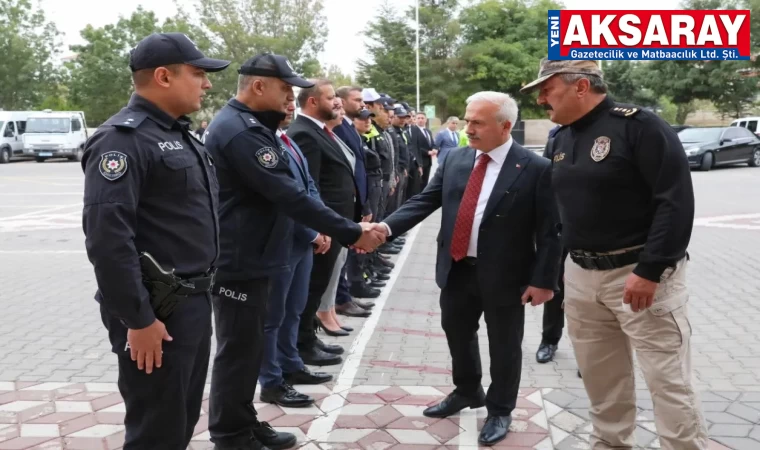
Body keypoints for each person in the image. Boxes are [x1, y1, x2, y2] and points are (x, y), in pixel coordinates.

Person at [520, 58, 708, 450]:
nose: (541, 99)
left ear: (581, 87)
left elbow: (674, 203)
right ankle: (609, 444)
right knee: (602, 379)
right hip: (581, 276)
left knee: (668, 381)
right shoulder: (561, 138)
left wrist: (652, 269)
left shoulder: (639, 127)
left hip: (639, 275)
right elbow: (559, 213)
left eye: (547, 89)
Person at [204, 53, 385, 450]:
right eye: (285, 89)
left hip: (258, 255)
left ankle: (242, 421)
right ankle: (230, 435)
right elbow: (289, 194)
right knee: (238, 351)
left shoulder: (252, 126)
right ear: (258, 86)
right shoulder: (241, 131)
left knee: (248, 349)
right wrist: (351, 230)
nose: (290, 97)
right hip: (240, 262)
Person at [372, 91, 562, 446]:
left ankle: (501, 408)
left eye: (478, 122)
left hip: (506, 275)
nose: (468, 128)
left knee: (505, 344)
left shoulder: (535, 168)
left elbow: (551, 231)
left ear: (505, 126)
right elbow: (425, 200)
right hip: (457, 268)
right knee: (457, 333)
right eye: (467, 119)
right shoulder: (458, 159)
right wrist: (385, 228)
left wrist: (544, 281)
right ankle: (467, 390)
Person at [81, 32, 231, 450]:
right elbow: (108, 241)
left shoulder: (179, 135)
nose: (207, 83)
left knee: (179, 418)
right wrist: (138, 320)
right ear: (164, 76)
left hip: (191, 305)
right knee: (156, 430)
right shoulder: (121, 141)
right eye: (199, 73)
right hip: (156, 312)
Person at [257, 100, 334, 409]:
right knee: (273, 316)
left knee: (294, 310)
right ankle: (271, 380)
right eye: (284, 99)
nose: (289, 105)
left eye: (292, 101)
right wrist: (312, 231)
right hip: (283, 242)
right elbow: (283, 196)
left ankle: (291, 364)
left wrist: (321, 224)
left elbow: (308, 187)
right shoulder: (262, 143)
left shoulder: (286, 139)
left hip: (302, 242)